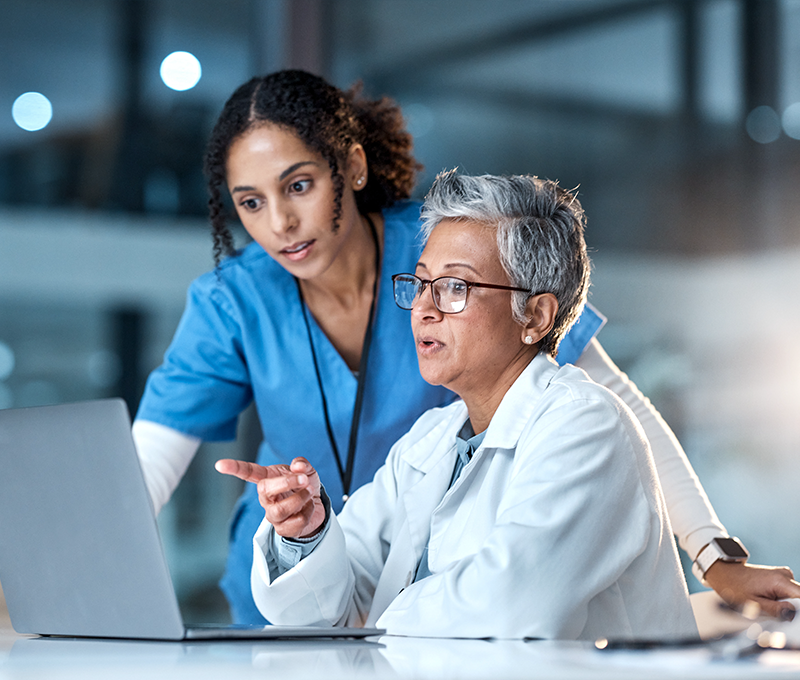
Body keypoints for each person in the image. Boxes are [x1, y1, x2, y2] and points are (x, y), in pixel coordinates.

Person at [133, 69, 800, 624]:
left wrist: (714, 555)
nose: (279, 223)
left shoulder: (446, 248)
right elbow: (144, 473)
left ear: (352, 167)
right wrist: (302, 532)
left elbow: (618, 406)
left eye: (299, 185)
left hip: (435, 602)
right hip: (332, 573)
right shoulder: (239, 301)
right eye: (249, 203)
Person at [215, 171, 698, 639]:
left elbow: (511, 605)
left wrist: (375, 621)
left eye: (454, 287)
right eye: (422, 283)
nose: (424, 307)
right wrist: (307, 534)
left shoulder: (586, 425)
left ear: (535, 315)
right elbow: (330, 603)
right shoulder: (433, 437)